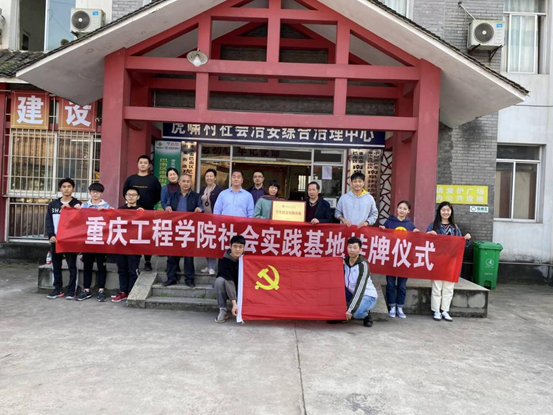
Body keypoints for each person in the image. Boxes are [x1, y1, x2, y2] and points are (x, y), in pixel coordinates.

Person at [426, 201, 471, 322]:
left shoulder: (455, 227)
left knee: (448, 287)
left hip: (451, 261)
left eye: (448, 210)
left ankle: (445, 310)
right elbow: (425, 241)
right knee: (437, 287)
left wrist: (466, 239)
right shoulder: (433, 226)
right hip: (437, 261)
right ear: (439, 211)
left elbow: (462, 244)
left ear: (451, 212)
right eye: (443, 210)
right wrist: (429, 234)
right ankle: (436, 311)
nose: (446, 212)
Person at [379, 200, 419, 318]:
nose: (402, 210)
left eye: (405, 208)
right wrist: (382, 229)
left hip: (404, 259)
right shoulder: (389, 222)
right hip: (391, 258)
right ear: (396, 209)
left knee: (402, 285)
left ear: (408, 211)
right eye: (400, 208)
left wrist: (416, 233)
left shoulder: (410, 225)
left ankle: (400, 307)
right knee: (390, 284)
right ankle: (392, 306)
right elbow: (383, 236)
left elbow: (414, 241)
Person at [122, 155, 161, 272]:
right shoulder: (131, 179)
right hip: (132, 214)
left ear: (149, 166)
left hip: (148, 213)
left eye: (145, 163)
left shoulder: (153, 180)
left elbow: (158, 195)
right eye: (141, 162)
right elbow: (125, 193)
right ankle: (134, 260)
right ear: (137, 164)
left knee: (147, 237)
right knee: (132, 236)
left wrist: (148, 204)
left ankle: (147, 261)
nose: (143, 165)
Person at [45, 178, 82, 299]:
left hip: (70, 240)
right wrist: (51, 235)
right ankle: (58, 289)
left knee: (72, 266)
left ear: (73, 189)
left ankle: (72, 290)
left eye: (69, 186)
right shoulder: (53, 205)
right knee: (56, 265)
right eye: (64, 187)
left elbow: (81, 223)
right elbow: (49, 222)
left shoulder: (77, 204)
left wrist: (78, 211)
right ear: (60, 189)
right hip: (56, 240)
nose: (66, 189)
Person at [164, 174, 203, 287]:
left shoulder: (196, 196)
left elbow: (201, 207)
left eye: (188, 181)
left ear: (191, 183)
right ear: (179, 183)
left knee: (188, 256)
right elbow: (167, 206)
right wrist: (167, 208)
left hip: (189, 229)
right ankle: (171, 278)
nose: (186, 183)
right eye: (183, 181)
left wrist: (199, 209)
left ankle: (189, 279)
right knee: (172, 255)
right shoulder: (173, 195)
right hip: (175, 229)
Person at [77, 182, 111, 302]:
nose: (95, 194)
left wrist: (109, 212)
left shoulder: (106, 206)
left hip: (101, 240)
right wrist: (76, 211)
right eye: (93, 192)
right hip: (88, 240)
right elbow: (78, 221)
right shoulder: (84, 206)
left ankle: (101, 290)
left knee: (102, 266)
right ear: (90, 193)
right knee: (87, 265)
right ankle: (86, 289)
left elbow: (112, 220)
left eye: (98, 192)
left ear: (102, 193)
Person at [112, 187, 143, 303]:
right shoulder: (120, 210)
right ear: (125, 196)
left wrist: (143, 214)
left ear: (138, 197)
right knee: (122, 270)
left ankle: (132, 292)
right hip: (121, 244)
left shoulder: (141, 211)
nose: (131, 197)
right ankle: (123, 291)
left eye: (133, 195)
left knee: (133, 270)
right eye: (129, 194)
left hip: (135, 246)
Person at [339, 237, 378, 327]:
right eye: (350, 247)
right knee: (336, 289)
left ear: (360, 250)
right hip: (351, 293)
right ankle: (340, 315)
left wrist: (351, 310)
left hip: (367, 295)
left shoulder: (363, 265)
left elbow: (360, 289)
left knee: (356, 313)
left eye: (355, 248)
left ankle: (366, 314)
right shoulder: (344, 262)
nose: (352, 250)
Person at [214, 235, 246, 323]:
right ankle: (223, 310)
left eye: (240, 247)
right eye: (235, 246)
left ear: (244, 248)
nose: (237, 249)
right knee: (219, 281)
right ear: (230, 247)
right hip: (228, 289)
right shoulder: (223, 261)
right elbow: (229, 281)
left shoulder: (246, 260)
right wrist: (234, 303)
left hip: (242, 289)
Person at [199, 169, 223, 275]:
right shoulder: (202, 189)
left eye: (211, 176)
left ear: (215, 178)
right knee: (205, 242)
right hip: (204, 220)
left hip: (215, 220)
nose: (209, 178)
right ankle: (208, 265)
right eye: (207, 176)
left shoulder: (219, 190)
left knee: (212, 242)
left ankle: (212, 266)